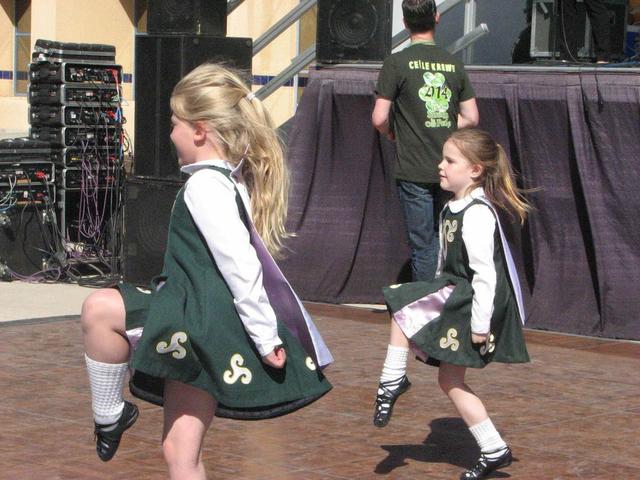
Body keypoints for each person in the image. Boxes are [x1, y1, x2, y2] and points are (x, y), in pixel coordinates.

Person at [80, 63, 333, 479]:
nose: (170, 132)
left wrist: (265, 334)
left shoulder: (205, 186)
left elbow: (240, 263)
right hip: (199, 324)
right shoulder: (228, 181)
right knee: (180, 451)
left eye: (175, 122)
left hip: (198, 321)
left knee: (99, 308)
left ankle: (109, 413)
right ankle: (110, 414)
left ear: (199, 130)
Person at [373, 128, 531, 480]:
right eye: (442, 158)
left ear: (475, 170)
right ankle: (494, 449)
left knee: (403, 303)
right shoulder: (451, 208)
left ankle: (392, 379)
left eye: (450, 160)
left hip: (472, 300)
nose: (440, 166)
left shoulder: (477, 213)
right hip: (455, 290)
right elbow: (447, 263)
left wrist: (479, 325)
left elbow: (486, 276)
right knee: (449, 379)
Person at [372, 0, 479, 283]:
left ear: (405, 23)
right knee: (451, 241)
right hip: (452, 169)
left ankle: (428, 313)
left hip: (413, 170)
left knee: (424, 247)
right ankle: (454, 304)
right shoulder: (454, 63)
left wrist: (395, 131)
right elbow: (471, 116)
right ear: (437, 17)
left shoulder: (396, 63)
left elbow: (379, 118)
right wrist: (443, 121)